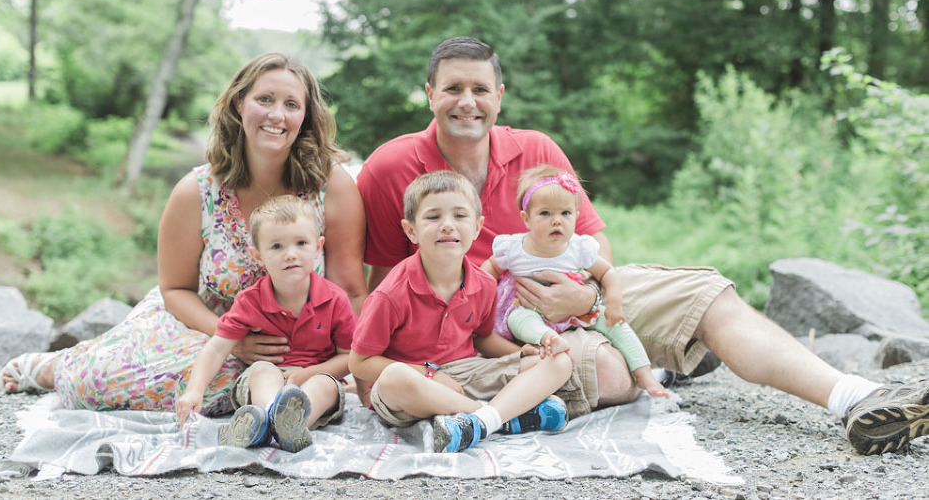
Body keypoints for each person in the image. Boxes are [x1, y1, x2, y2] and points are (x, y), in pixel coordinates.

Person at [356, 36, 929, 456]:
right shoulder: (391, 166)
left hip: (581, 287)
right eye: (452, 88)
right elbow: (382, 278)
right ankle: (652, 365)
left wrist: (589, 299)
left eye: (480, 89)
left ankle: (855, 396)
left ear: (500, 96)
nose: (466, 101)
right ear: (429, 94)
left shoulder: (536, 148)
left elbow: (595, 238)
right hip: (490, 329)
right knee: (607, 372)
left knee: (706, 291)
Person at [0, 52, 368, 417]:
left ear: (305, 116)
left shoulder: (331, 185)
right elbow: (175, 289)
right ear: (240, 103)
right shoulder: (197, 190)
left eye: (291, 104)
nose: (276, 115)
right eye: (265, 99)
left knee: (279, 385)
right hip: (203, 324)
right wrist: (233, 341)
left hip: (298, 342)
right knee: (94, 384)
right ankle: (56, 367)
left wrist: (342, 363)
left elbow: (350, 289)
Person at [348, 171, 572, 453]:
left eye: (460, 216)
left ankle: (477, 422)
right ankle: (496, 417)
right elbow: (359, 362)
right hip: (413, 384)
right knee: (394, 378)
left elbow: (481, 338)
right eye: (433, 217)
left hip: (465, 373)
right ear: (411, 230)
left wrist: (516, 354)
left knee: (558, 362)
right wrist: (429, 373)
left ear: (477, 227)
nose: (447, 226)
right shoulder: (391, 293)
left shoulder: (484, 284)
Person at [175, 196, 354, 452]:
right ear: (258, 256)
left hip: (315, 378)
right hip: (269, 381)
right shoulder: (251, 301)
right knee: (261, 371)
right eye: (277, 246)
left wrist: (306, 374)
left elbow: (350, 357)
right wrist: (194, 390)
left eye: (301, 243)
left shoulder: (334, 299)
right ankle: (275, 420)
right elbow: (217, 348)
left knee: (325, 384)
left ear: (318, 247)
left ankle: (277, 426)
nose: (290, 254)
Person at [480, 164, 667, 398]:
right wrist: (481, 291)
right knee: (519, 319)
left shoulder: (578, 248)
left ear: (577, 216)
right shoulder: (514, 247)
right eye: (545, 214)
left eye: (565, 213)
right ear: (526, 219)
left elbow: (607, 272)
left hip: (574, 310)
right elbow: (490, 268)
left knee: (617, 326)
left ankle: (644, 373)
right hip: (528, 307)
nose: (556, 221)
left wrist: (614, 304)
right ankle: (549, 339)